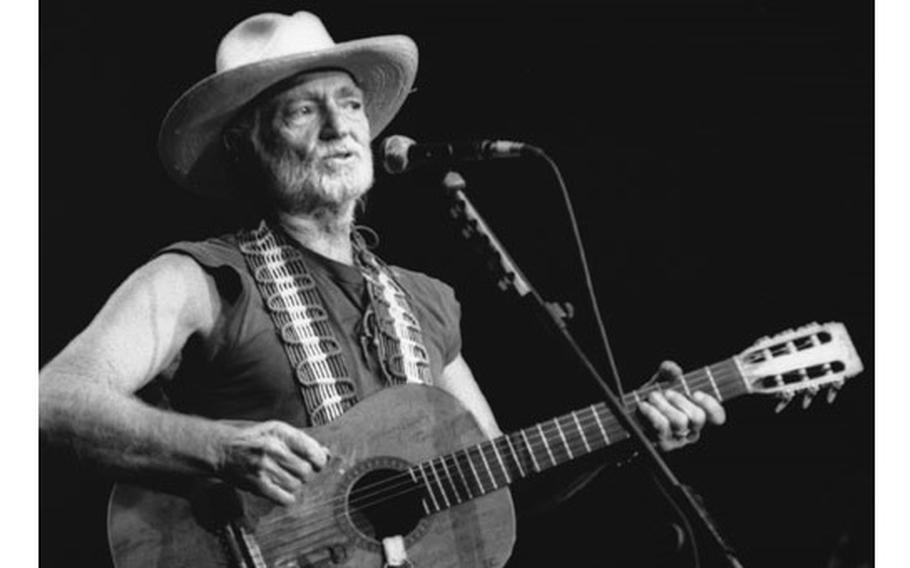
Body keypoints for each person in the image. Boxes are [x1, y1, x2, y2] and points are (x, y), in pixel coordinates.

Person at [39, 10, 724, 517]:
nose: (341, 128)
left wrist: (625, 433)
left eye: (351, 105)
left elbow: (494, 482)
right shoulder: (196, 279)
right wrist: (222, 449)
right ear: (246, 146)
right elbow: (50, 401)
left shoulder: (426, 300)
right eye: (303, 111)